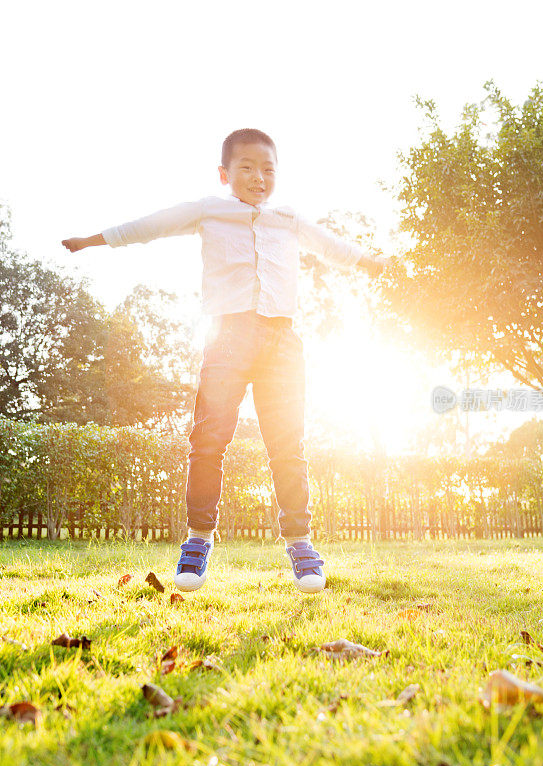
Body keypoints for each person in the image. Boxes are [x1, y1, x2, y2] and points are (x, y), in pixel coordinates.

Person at [62, 127, 390, 595]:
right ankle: (198, 539)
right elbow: (150, 225)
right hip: (227, 339)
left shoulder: (288, 218)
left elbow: (331, 245)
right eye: (247, 168)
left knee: (288, 446)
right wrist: (93, 241)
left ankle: (300, 544)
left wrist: (370, 261)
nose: (259, 178)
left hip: (282, 342)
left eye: (268, 170)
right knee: (208, 441)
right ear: (225, 173)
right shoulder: (208, 211)